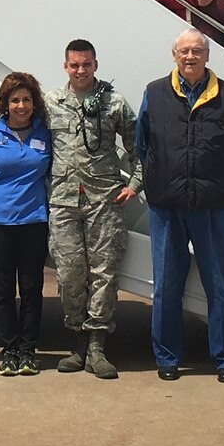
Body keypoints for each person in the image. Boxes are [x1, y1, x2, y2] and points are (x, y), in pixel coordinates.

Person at [138, 30, 224, 382]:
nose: (190, 57)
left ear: (207, 55)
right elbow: (143, 146)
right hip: (166, 205)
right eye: (184, 51)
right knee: (166, 284)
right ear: (173, 55)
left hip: (213, 204)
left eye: (197, 50)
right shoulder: (154, 93)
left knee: (220, 284)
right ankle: (167, 357)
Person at [48, 40, 140, 379]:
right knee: (70, 274)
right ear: (65, 66)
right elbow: (26, 138)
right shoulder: (51, 103)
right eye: (74, 65)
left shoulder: (114, 103)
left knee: (104, 273)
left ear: (95, 65)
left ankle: (98, 347)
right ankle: (78, 343)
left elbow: (138, 147)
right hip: (63, 200)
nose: (80, 70)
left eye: (86, 64)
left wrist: (135, 184)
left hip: (104, 200)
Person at [0, 71, 53, 376]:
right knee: (3, 291)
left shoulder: (46, 134)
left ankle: (29, 351)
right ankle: (9, 350)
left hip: (33, 221)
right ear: (5, 103)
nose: (21, 105)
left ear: (34, 103)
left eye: (26, 99)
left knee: (31, 289)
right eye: (14, 100)